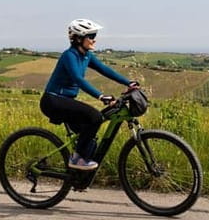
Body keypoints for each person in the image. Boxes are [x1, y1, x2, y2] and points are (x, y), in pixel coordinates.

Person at [40, 18, 139, 171]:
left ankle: (77, 176)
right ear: (79, 38)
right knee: (95, 117)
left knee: (89, 137)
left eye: (94, 35)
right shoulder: (69, 56)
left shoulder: (86, 55)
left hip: (65, 100)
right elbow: (78, 79)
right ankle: (77, 159)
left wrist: (128, 83)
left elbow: (105, 70)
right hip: (53, 100)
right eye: (91, 36)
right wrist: (100, 96)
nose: (94, 39)